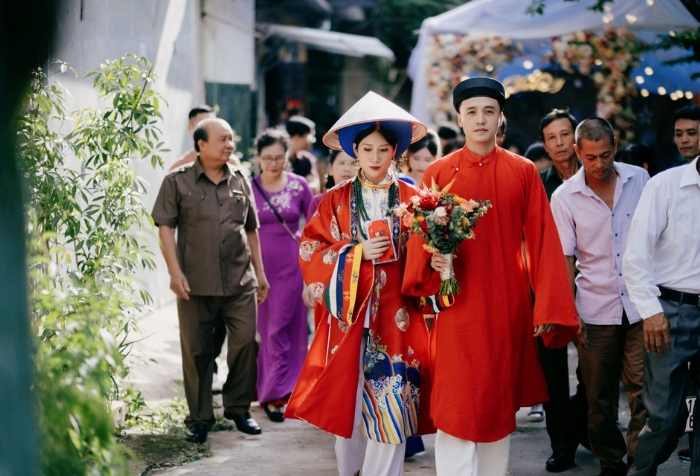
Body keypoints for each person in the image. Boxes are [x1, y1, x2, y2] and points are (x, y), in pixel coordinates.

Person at [403, 77, 578, 475]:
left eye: (488, 110)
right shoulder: (437, 172)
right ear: (459, 118)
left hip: (506, 306)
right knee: (457, 401)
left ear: (501, 117)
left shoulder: (524, 171)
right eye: (472, 111)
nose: (480, 119)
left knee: (499, 403)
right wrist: (432, 267)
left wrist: (547, 305)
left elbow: (543, 241)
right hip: (456, 306)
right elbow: (419, 242)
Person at [285, 91, 439, 476]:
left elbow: (428, 251)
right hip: (348, 317)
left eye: (382, 149)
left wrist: (436, 259)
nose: (374, 157)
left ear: (396, 152)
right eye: (366, 149)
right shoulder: (333, 200)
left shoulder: (414, 198)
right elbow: (310, 249)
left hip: (397, 316)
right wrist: (356, 253)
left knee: (392, 405)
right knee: (349, 406)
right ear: (355, 150)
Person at [151, 118, 269, 443]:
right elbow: (165, 228)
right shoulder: (177, 181)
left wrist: (260, 274)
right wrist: (174, 272)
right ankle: (200, 418)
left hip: (239, 281)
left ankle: (238, 407)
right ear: (201, 144)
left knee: (247, 341)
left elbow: (251, 230)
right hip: (195, 284)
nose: (229, 145)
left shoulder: (240, 179)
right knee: (198, 352)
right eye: (222, 139)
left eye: (231, 139)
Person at [551, 118, 649, 476]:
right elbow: (565, 258)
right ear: (578, 153)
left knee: (643, 394)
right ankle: (611, 462)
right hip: (594, 309)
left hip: (640, 306)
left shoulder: (639, 179)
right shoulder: (564, 197)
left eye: (605, 154)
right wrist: (569, 311)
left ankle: (641, 464)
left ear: (615, 146)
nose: (599, 164)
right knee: (599, 398)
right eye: (590, 157)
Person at [623, 135, 700, 476]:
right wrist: (651, 313)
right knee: (664, 418)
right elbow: (636, 256)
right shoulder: (666, 185)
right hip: (671, 312)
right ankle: (640, 472)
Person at [536, 108, 590, 473]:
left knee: (594, 370)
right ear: (544, 143)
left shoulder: (598, 175)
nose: (559, 143)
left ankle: (583, 427)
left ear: (575, 137)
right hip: (549, 287)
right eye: (551, 137)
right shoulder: (538, 183)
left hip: (592, 286)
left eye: (564, 134)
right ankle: (562, 445)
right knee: (552, 372)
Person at [169, 105, 233, 395]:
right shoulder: (180, 169)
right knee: (197, 328)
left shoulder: (231, 167)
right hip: (196, 260)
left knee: (221, 322)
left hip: (229, 263)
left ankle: (214, 366)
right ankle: (202, 378)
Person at [251, 128, 313, 423]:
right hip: (259, 267)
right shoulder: (248, 186)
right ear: (258, 158)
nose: (273, 164)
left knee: (285, 328)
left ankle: (280, 393)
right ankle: (272, 388)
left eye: (279, 157)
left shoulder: (300, 186)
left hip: (292, 265)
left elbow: (314, 228)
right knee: (267, 330)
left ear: (287, 155)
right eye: (267, 158)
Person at [286, 115, 320, 193]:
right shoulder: (279, 160)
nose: (313, 141)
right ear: (297, 137)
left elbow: (314, 188)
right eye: (310, 136)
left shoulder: (306, 160)